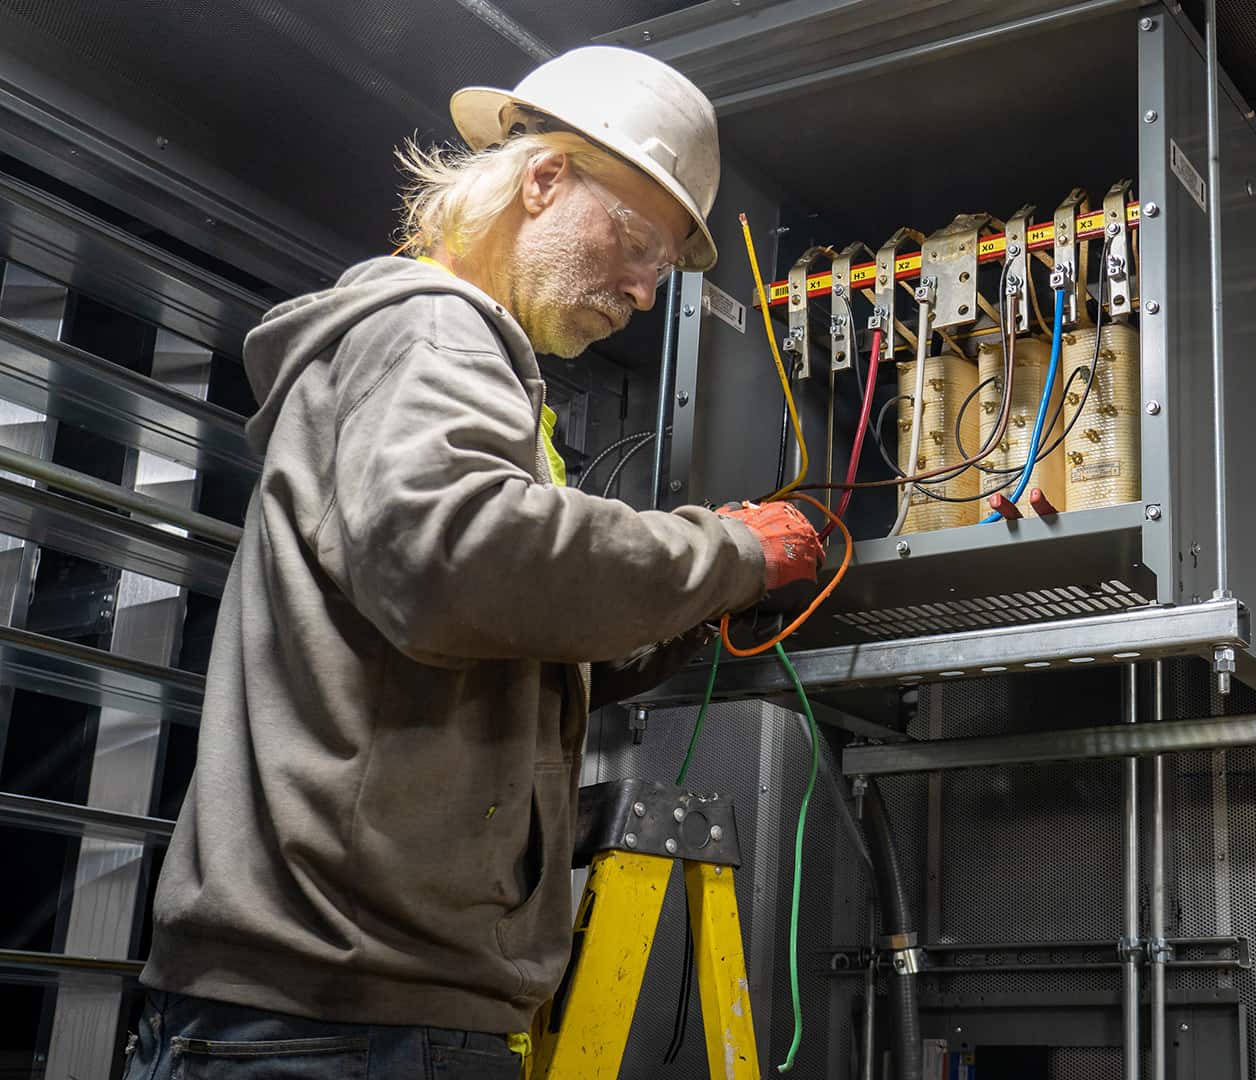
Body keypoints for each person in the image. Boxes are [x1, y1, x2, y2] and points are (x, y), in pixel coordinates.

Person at [123, 46, 824, 1078]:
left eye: (661, 271)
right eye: (635, 242)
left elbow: (518, 634)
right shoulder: (437, 331)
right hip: (334, 1021)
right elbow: (463, 561)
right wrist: (724, 551)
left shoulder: (473, 376)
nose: (641, 291)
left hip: (349, 1011)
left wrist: (707, 601)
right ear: (542, 180)